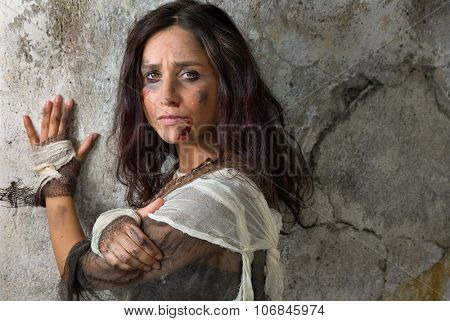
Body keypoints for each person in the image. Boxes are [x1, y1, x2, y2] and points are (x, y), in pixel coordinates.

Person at [1, 0, 313, 301]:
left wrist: (55, 181)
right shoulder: (187, 177)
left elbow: (83, 272)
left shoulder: (221, 196)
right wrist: (113, 223)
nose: (166, 96)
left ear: (228, 83)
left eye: (189, 74)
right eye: (152, 76)